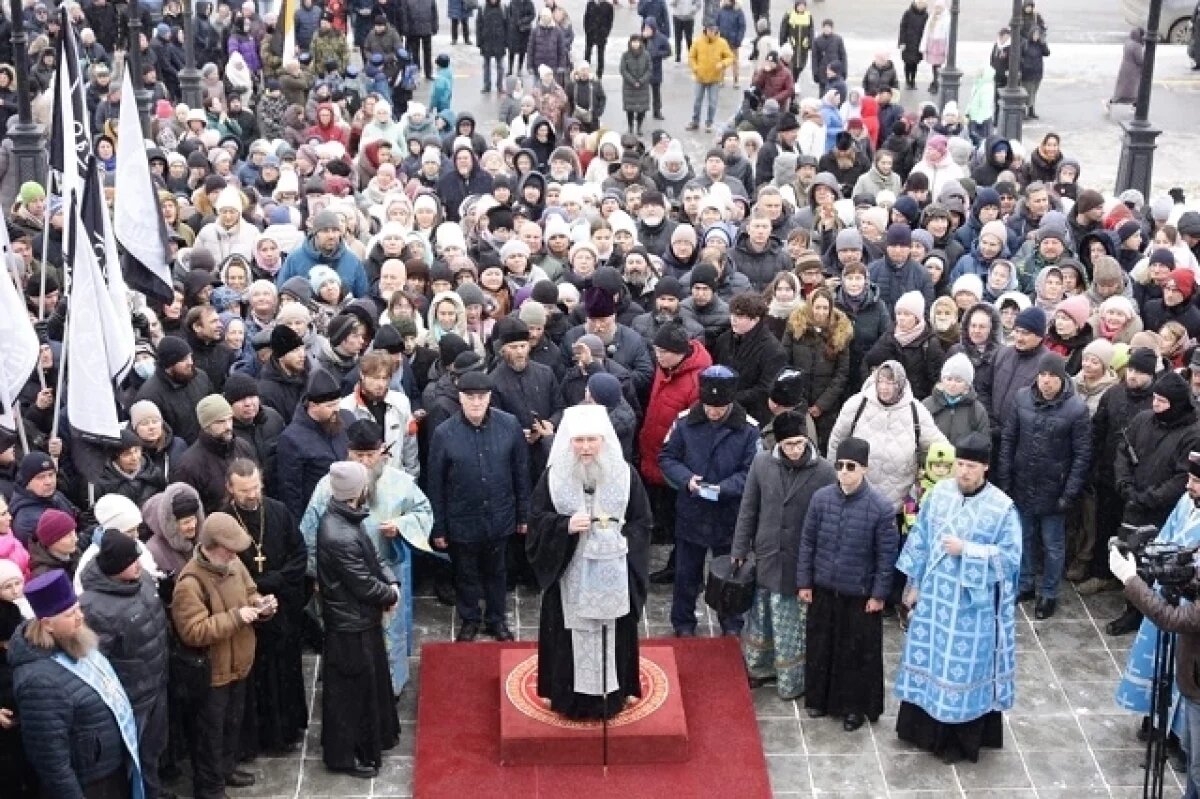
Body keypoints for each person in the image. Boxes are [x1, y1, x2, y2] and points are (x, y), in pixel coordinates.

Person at [894, 432, 1022, 764]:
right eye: (959, 464)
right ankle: (921, 731)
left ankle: (957, 740)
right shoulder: (939, 496)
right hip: (935, 599)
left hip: (972, 608)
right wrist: (913, 583)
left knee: (961, 672)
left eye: (971, 466)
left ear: (985, 468)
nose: (963, 472)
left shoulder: (1002, 507)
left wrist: (969, 551)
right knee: (930, 661)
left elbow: (1010, 559)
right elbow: (920, 537)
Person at [526, 405, 652, 719]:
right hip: (570, 571)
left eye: (591, 440)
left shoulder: (625, 476)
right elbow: (537, 519)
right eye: (578, 440)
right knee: (567, 637)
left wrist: (622, 542)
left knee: (614, 633)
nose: (585, 448)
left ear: (603, 440)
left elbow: (642, 522)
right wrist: (564, 526)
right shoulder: (554, 477)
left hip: (613, 570)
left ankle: (616, 692)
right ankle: (568, 698)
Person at [301, 420, 436, 695]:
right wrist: (316, 575)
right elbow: (309, 535)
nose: (364, 463)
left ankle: (391, 687)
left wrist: (401, 526)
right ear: (347, 452)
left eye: (370, 456)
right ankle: (354, 691)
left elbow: (424, 512)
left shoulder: (399, 482)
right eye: (357, 456)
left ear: (382, 451)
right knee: (349, 639)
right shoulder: (327, 487)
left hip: (387, 573)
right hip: (342, 582)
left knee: (390, 632)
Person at [11, 570, 145, 798]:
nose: (80, 617)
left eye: (78, 609)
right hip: (90, 783)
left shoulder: (75, 640)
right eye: (70, 614)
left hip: (111, 768)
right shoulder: (38, 682)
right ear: (47, 624)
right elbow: (51, 761)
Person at [732, 410, 836, 700]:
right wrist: (740, 547)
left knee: (792, 623)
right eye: (789, 444)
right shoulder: (762, 462)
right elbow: (749, 507)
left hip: (800, 560)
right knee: (762, 616)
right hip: (768, 554)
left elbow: (828, 521)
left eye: (799, 443)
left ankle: (792, 680)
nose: (795, 450)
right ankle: (759, 669)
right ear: (777, 443)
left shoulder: (824, 471)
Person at [172, 512, 276, 797]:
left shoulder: (232, 563)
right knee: (209, 737)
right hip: (212, 672)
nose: (235, 556)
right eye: (230, 551)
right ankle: (210, 789)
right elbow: (192, 631)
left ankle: (227, 769)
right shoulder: (190, 583)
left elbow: (250, 590)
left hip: (238, 664)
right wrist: (237, 617)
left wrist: (260, 604)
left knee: (231, 725)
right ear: (212, 547)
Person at [797, 436, 898, 730]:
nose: (844, 472)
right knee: (821, 646)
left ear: (864, 469)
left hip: (859, 594)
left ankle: (853, 708)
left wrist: (879, 594)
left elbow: (885, 557)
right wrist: (805, 582)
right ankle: (819, 699)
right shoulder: (821, 498)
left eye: (850, 466)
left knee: (854, 653)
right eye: (839, 466)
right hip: (825, 588)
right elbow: (808, 542)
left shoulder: (880, 508)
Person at [428, 371, 529, 641]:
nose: (476, 403)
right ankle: (470, 619)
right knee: (466, 573)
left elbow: (521, 472)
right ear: (460, 398)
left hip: (500, 516)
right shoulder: (444, 433)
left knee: (498, 572)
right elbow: (435, 483)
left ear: (489, 398)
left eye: (481, 397)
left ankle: (497, 619)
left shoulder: (509, 425)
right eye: (470, 397)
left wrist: (523, 514)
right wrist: (438, 526)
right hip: (462, 519)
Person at [659, 366, 760, 636]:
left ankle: (731, 623)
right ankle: (683, 623)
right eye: (709, 406)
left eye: (720, 407)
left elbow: (751, 471)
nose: (714, 412)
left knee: (730, 573)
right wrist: (687, 479)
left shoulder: (749, 431)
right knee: (686, 573)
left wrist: (723, 488)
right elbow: (667, 458)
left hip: (728, 513)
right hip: (692, 510)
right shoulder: (683, 423)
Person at [316, 461, 402, 778]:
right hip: (349, 624)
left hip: (360, 619)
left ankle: (372, 741)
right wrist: (390, 595)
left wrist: (391, 583)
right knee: (349, 694)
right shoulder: (338, 533)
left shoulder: (346, 519)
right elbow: (362, 581)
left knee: (368, 685)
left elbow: (374, 558)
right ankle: (346, 756)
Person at [222, 459, 308, 758]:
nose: (252, 495)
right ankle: (260, 738)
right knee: (257, 678)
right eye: (244, 490)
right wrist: (256, 591)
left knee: (285, 669)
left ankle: (288, 729)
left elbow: (299, 553)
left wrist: (276, 583)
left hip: (282, 607)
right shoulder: (223, 520)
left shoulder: (278, 511)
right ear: (230, 489)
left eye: (256, 487)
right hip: (248, 614)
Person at [996, 352, 1091, 619]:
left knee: (1052, 545)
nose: (1046, 381)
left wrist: (1068, 493)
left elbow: (1082, 456)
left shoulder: (1076, 409)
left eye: (1052, 376)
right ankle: (1025, 584)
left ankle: (1049, 593)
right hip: (1022, 483)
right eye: (1043, 375)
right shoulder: (1021, 398)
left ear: (1062, 378)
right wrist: (1006, 479)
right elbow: (1008, 440)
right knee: (1023, 538)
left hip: (1055, 490)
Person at [79, 533, 171, 799]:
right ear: (116, 566)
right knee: (131, 760)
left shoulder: (141, 580)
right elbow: (95, 661)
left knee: (153, 750)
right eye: (131, 561)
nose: (138, 564)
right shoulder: (93, 607)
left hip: (155, 684)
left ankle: (153, 791)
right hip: (130, 697)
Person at [1110, 534, 1200, 798]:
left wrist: (1130, 580)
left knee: (1197, 768)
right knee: (1191, 752)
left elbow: (1172, 618)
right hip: (1193, 682)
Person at [686, 23, 735, 134]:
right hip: (700, 77)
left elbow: (730, 57)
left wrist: (722, 64)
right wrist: (695, 68)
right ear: (706, 30)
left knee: (712, 102)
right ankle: (695, 121)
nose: (712, 32)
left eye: (714, 30)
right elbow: (691, 56)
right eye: (710, 30)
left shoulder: (722, 42)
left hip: (715, 78)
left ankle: (709, 123)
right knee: (697, 101)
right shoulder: (698, 41)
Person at [1106, 28, 1144, 113]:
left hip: (1124, 68)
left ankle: (1112, 102)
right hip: (1133, 71)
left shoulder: (1128, 42)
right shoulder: (1137, 46)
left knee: (1122, 90)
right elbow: (1139, 60)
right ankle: (1135, 106)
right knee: (1135, 89)